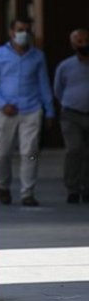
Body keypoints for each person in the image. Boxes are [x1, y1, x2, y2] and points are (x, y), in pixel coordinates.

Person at [0, 19, 55, 206]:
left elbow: (44, 84)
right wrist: (2, 104)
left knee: (30, 152)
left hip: (31, 110)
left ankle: (27, 193)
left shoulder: (37, 56)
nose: (24, 33)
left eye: (27, 30)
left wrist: (49, 111)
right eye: (20, 29)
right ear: (11, 32)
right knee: (3, 153)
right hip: (5, 111)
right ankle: (3, 186)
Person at [53, 28, 89, 204]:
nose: (84, 44)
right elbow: (58, 89)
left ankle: (86, 187)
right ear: (73, 45)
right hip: (71, 114)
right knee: (74, 149)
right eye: (79, 41)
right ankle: (72, 188)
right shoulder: (65, 66)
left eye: (86, 40)